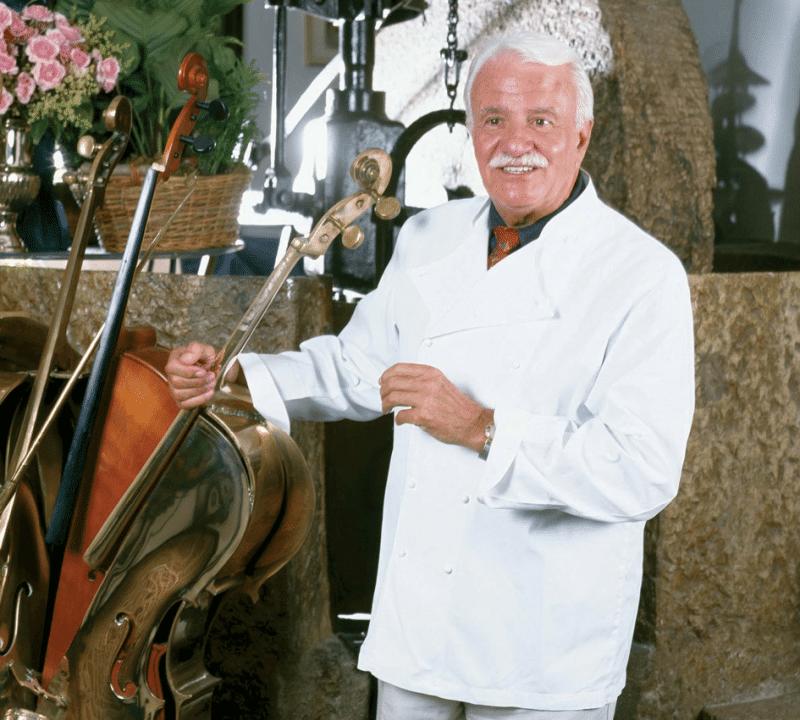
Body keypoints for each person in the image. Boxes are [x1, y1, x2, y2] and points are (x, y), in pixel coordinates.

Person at [166, 31, 695, 720]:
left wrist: (481, 428)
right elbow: (362, 367)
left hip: (542, 644)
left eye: (541, 120)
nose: (515, 142)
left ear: (581, 136)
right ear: (471, 131)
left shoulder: (641, 273)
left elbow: (642, 469)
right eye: (493, 119)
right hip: (420, 624)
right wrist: (237, 376)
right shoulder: (429, 237)